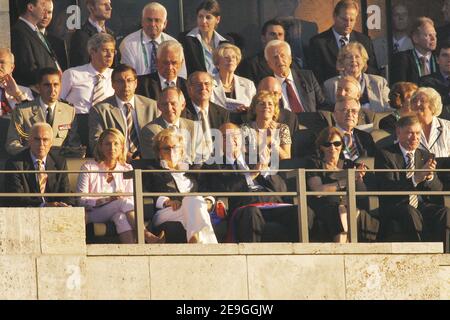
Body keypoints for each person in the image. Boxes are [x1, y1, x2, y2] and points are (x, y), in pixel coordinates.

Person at [199, 122, 298, 243]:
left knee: (300, 212)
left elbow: (282, 189)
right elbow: (223, 188)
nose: (231, 140)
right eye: (225, 137)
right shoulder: (213, 165)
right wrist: (251, 174)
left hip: (272, 203)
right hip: (244, 206)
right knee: (251, 212)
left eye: (235, 135)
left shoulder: (255, 159)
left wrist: (265, 170)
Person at [77, 128, 164, 244]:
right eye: (107, 144)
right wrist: (106, 199)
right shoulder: (88, 167)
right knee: (122, 203)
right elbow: (81, 200)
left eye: (116, 143)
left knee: (121, 218)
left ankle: (132, 253)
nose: (112, 148)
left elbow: (131, 200)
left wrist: (118, 200)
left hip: (119, 210)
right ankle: (147, 236)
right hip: (94, 213)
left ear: (122, 147)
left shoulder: (126, 168)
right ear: (101, 147)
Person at [375, 115, 449, 242]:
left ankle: (446, 256)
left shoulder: (425, 156)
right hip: (396, 205)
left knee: (444, 212)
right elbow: (388, 189)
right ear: (398, 133)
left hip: (421, 205)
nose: (415, 138)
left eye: (418, 133)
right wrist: (415, 179)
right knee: (410, 212)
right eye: (410, 133)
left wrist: (430, 177)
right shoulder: (386, 155)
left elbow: (438, 190)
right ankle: (423, 253)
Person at [143, 127, 218, 244]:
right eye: (166, 148)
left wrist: (208, 201)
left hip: (193, 208)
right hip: (167, 212)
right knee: (194, 202)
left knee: (193, 202)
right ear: (159, 152)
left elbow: (207, 189)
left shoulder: (193, 170)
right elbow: (146, 192)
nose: (171, 152)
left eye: (175, 147)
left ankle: (194, 241)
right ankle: (212, 248)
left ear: (182, 150)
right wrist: (166, 201)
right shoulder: (152, 171)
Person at [306, 127, 368, 243]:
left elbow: (362, 194)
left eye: (337, 143)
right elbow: (318, 191)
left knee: (352, 210)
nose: (332, 148)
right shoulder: (315, 163)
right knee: (341, 210)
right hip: (324, 205)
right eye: (327, 144)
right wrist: (345, 181)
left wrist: (358, 178)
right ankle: (341, 250)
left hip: (348, 205)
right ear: (321, 147)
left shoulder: (348, 164)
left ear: (342, 146)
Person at [88, 64, 158, 161]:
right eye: (120, 81)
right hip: (116, 164)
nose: (126, 85)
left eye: (129, 80)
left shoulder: (152, 106)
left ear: (136, 83)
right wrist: (124, 155)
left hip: (149, 162)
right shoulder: (100, 110)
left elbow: (161, 138)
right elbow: (96, 143)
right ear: (112, 84)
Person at [6, 68, 80, 156]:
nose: (52, 90)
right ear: (38, 87)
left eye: (56, 85)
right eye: (47, 85)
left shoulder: (69, 111)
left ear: (60, 86)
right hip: (32, 164)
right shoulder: (23, 111)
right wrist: (32, 154)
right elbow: (12, 143)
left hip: (58, 164)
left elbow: (73, 144)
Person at [61, 33, 115, 150]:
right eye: (105, 50)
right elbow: (59, 103)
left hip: (107, 125)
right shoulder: (72, 74)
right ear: (92, 52)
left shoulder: (115, 76)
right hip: (79, 125)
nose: (110, 55)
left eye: (112, 51)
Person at [309, 0, 378, 84]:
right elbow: (316, 77)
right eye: (344, 19)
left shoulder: (364, 41)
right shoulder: (318, 43)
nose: (348, 24)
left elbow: (373, 71)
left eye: (352, 20)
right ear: (334, 16)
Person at [4, 122, 73, 207]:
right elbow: (17, 198)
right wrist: (43, 205)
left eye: (45, 140)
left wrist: (66, 205)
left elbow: (66, 193)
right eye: (37, 139)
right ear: (29, 141)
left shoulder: (59, 163)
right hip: (27, 214)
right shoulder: (15, 164)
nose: (41, 144)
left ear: (51, 143)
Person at [120, 2, 186, 77]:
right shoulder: (128, 44)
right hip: (139, 88)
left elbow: (182, 75)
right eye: (149, 20)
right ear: (142, 21)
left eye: (157, 20)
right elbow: (128, 77)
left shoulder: (174, 44)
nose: (152, 24)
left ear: (165, 24)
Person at [323, 42, 390, 114]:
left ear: (364, 61)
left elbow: (389, 109)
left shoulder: (379, 82)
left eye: (357, 57)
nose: (353, 60)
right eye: (349, 57)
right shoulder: (331, 85)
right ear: (342, 62)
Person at [265, 40, 329, 113]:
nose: (280, 60)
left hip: (311, 121)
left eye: (283, 55)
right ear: (269, 64)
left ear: (290, 59)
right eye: (275, 57)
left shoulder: (307, 77)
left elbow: (322, 103)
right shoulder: (267, 85)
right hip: (285, 123)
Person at [11, 0, 61, 86]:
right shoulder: (19, 32)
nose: (45, 8)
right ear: (31, 7)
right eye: (42, 5)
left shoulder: (35, 31)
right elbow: (27, 68)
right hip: (36, 92)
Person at [237, 19, 302, 85]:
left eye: (280, 34)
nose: (277, 38)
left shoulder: (293, 63)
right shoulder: (251, 64)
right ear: (263, 38)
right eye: (272, 34)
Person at [140, 87, 197, 161]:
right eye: (165, 104)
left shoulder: (194, 127)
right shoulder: (149, 130)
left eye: (173, 103)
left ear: (182, 105)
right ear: (159, 106)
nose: (169, 108)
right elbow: (154, 162)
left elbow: (200, 159)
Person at [183, 71, 230, 162]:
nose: (203, 87)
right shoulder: (182, 112)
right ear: (189, 89)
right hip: (191, 163)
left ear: (212, 88)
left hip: (218, 164)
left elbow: (226, 142)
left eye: (207, 84)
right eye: (198, 84)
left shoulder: (222, 113)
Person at [180, 0, 230, 75]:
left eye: (208, 17)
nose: (203, 21)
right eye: (200, 16)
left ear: (217, 19)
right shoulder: (185, 40)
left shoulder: (227, 42)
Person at [241, 90, 291, 161]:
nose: (266, 106)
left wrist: (272, 140)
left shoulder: (282, 129)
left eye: (270, 104)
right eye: (262, 104)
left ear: (275, 110)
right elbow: (241, 155)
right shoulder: (245, 128)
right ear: (254, 109)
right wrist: (266, 141)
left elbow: (286, 158)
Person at [210, 43, 256, 118]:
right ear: (217, 63)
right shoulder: (209, 83)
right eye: (226, 57)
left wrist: (247, 110)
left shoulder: (248, 84)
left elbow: (255, 109)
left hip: (243, 125)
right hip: (218, 125)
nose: (231, 60)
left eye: (233, 57)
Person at [391, 17, 438, 85]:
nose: (433, 39)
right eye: (428, 35)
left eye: (435, 35)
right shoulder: (402, 59)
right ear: (415, 38)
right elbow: (400, 88)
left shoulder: (440, 58)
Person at [69, 0, 114, 68]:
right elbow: (80, 66)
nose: (109, 8)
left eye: (109, 4)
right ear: (91, 7)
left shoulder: (111, 34)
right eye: (104, 4)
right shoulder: (81, 35)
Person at [274, 0, 318, 68]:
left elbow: (315, 55)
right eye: (281, 0)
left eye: (290, 0)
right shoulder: (267, 28)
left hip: (305, 73)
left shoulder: (310, 27)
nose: (286, 3)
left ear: (296, 3)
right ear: (276, 3)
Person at [410, 87, 450, 158]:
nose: (417, 104)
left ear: (432, 105)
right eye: (415, 101)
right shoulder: (406, 127)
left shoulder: (447, 127)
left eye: (422, 101)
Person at [372, 3, 413, 69]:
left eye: (404, 14)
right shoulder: (376, 44)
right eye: (397, 14)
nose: (401, 18)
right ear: (390, 18)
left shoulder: (415, 45)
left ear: (409, 18)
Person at [419, 41, 450, 121]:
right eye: (445, 55)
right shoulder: (426, 81)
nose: (449, 59)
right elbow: (429, 104)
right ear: (437, 59)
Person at [0, 48, 34, 114]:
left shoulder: (24, 91)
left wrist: (18, 95)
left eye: (2, 62)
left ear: (12, 67)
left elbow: (32, 116)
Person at [37, 0, 67, 71]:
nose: (46, 16)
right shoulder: (25, 37)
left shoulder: (59, 43)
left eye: (49, 12)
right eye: (43, 11)